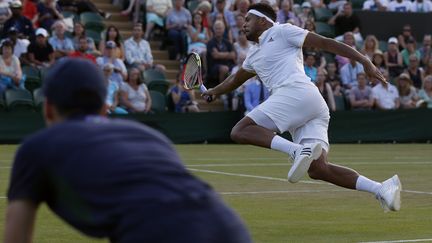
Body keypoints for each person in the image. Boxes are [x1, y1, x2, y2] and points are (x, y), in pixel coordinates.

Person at [4, 58, 252, 243]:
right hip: (232, 229)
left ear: (47, 108)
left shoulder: (36, 148)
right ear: (104, 109)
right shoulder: (151, 137)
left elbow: (16, 236)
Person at [203, 3, 401, 212]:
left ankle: (297, 151)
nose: (243, 25)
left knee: (240, 130)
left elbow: (325, 42)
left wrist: (364, 60)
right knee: (318, 169)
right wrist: (213, 91)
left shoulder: (282, 30)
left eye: (247, 20)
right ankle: (381, 188)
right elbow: (234, 80)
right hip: (310, 105)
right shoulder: (253, 54)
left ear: (262, 20)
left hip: (295, 93)